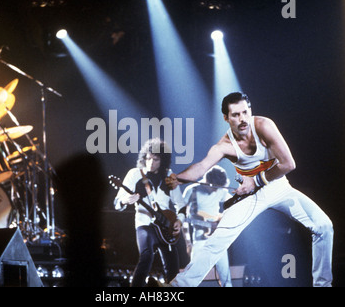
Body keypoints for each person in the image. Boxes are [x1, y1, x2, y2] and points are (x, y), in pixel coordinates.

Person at [165, 92, 333, 287]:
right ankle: (176, 288)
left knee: (324, 226)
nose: (242, 119)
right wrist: (179, 178)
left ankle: (323, 285)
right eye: (235, 115)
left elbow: (288, 164)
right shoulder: (224, 145)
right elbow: (201, 167)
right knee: (217, 240)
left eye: (245, 112)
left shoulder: (264, 125)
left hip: (278, 187)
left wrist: (256, 181)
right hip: (251, 196)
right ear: (226, 118)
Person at [114, 138, 186, 287]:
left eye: (156, 159)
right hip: (145, 223)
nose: (150, 163)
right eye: (148, 158)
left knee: (173, 268)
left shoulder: (169, 175)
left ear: (163, 161)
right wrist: (126, 200)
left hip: (167, 226)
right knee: (146, 256)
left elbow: (181, 204)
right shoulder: (135, 174)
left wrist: (179, 221)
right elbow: (117, 203)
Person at [182, 165, 232, 287]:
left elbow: (233, 206)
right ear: (207, 181)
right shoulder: (191, 190)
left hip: (217, 238)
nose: (216, 191)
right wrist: (188, 243)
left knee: (225, 275)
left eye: (218, 188)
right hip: (199, 239)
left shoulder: (221, 190)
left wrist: (221, 218)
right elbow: (182, 219)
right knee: (191, 275)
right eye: (214, 187)